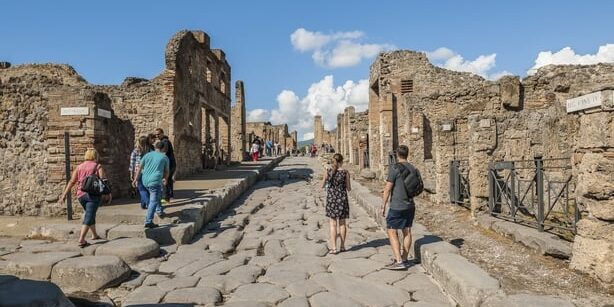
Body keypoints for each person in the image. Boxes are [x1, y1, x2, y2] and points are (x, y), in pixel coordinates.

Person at [59, 149, 106, 247]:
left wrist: (64, 195)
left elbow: (72, 181)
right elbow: (103, 181)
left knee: (90, 213)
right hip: (93, 195)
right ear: (95, 156)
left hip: (81, 195)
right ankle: (81, 239)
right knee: (89, 215)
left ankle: (94, 235)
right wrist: (108, 193)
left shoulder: (79, 167)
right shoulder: (98, 166)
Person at [380, 145, 416, 270]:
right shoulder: (413, 168)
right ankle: (404, 258)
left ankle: (399, 261)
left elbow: (388, 188)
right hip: (410, 205)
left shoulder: (395, 168)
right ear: (407, 154)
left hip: (397, 205)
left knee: (391, 230)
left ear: (397, 155)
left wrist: (383, 205)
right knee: (407, 230)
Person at [133, 141, 169, 228]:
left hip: (145, 180)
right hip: (155, 181)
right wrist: (165, 179)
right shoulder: (164, 157)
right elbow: (167, 171)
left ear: (155, 147)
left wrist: (135, 179)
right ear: (163, 148)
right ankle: (148, 221)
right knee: (153, 201)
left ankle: (159, 210)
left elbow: (139, 168)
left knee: (156, 196)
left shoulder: (147, 155)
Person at [321, 153, 351, 254]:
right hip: (342, 199)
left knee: (332, 224)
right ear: (342, 162)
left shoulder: (328, 171)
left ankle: (334, 248)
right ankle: (342, 246)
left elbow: (322, 185)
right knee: (342, 224)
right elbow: (349, 188)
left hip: (331, 199)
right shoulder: (346, 172)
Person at [129, 136, 151, 209]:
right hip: (148, 171)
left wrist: (131, 174)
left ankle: (148, 203)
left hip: (138, 172)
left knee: (141, 189)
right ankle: (143, 205)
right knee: (146, 188)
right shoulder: (149, 150)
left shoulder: (136, 150)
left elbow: (132, 163)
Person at [155, 128, 176, 204]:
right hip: (171, 163)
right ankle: (170, 196)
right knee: (169, 180)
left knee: (165, 179)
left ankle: (165, 198)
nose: (157, 136)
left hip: (169, 164)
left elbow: (164, 152)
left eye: (158, 134)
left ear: (162, 133)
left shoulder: (165, 141)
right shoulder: (164, 141)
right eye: (156, 134)